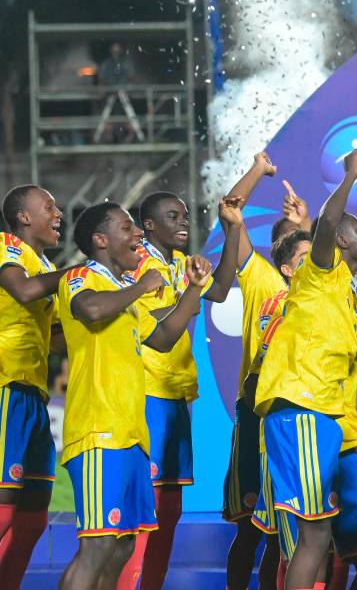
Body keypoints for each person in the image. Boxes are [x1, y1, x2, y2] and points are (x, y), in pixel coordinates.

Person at [56, 202, 213, 590]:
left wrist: (193, 289)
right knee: (98, 547)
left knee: (122, 547)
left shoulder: (123, 294)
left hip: (132, 436)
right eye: (127, 228)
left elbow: (163, 337)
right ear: (100, 240)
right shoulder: (80, 277)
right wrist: (143, 286)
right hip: (98, 431)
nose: (138, 235)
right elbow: (89, 309)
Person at [252, 148, 357, 589]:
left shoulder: (344, 287)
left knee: (320, 537)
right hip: (302, 406)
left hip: (321, 414)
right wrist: (349, 177)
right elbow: (327, 224)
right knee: (313, 536)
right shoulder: (320, 272)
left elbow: (349, 345)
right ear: (342, 241)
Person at [117, 191, 243, 590]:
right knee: (146, 511)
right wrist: (192, 288)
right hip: (147, 393)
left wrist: (232, 229)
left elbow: (220, 290)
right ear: (149, 225)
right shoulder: (141, 265)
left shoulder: (178, 265)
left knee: (169, 510)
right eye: (172, 216)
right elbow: (161, 334)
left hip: (175, 396)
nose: (183, 222)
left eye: (185, 215)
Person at [221, 152, 309, 590]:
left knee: (290, 528)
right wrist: (258, 170)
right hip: (260, 407)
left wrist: (306, 220)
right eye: (296, 246)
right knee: (252, 527)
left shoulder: (328, 294)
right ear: (281, 260)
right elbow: (231, 217)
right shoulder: (263, 280)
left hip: (305, 410)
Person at [0, 186, 70, 585]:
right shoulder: (6, 246)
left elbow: (61, 336)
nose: (59, 212)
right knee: (5, 509)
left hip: (33, 395)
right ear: (24, 217)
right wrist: (80, 273)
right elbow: (22, 290)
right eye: (49, 206)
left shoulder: (43, 266)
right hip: (6, 385)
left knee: (33, 517)